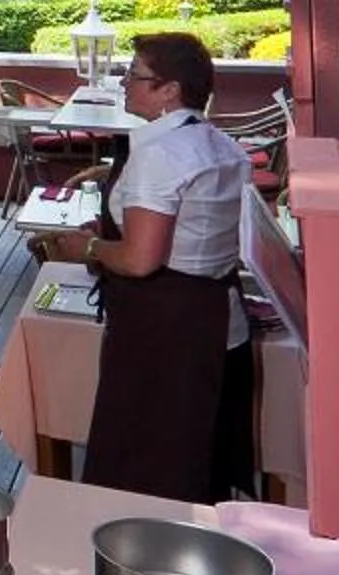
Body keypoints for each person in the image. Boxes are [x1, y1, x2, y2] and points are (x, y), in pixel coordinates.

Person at [76, 31, 258, 504]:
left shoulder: (159, 154)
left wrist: (92, 245)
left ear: (169, 90)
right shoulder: (223, 147)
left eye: (134, 76)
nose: (124, 83)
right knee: (201, 456)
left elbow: (139, 259)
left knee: (150, 467)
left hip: (164, 334)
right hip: (220, 322)